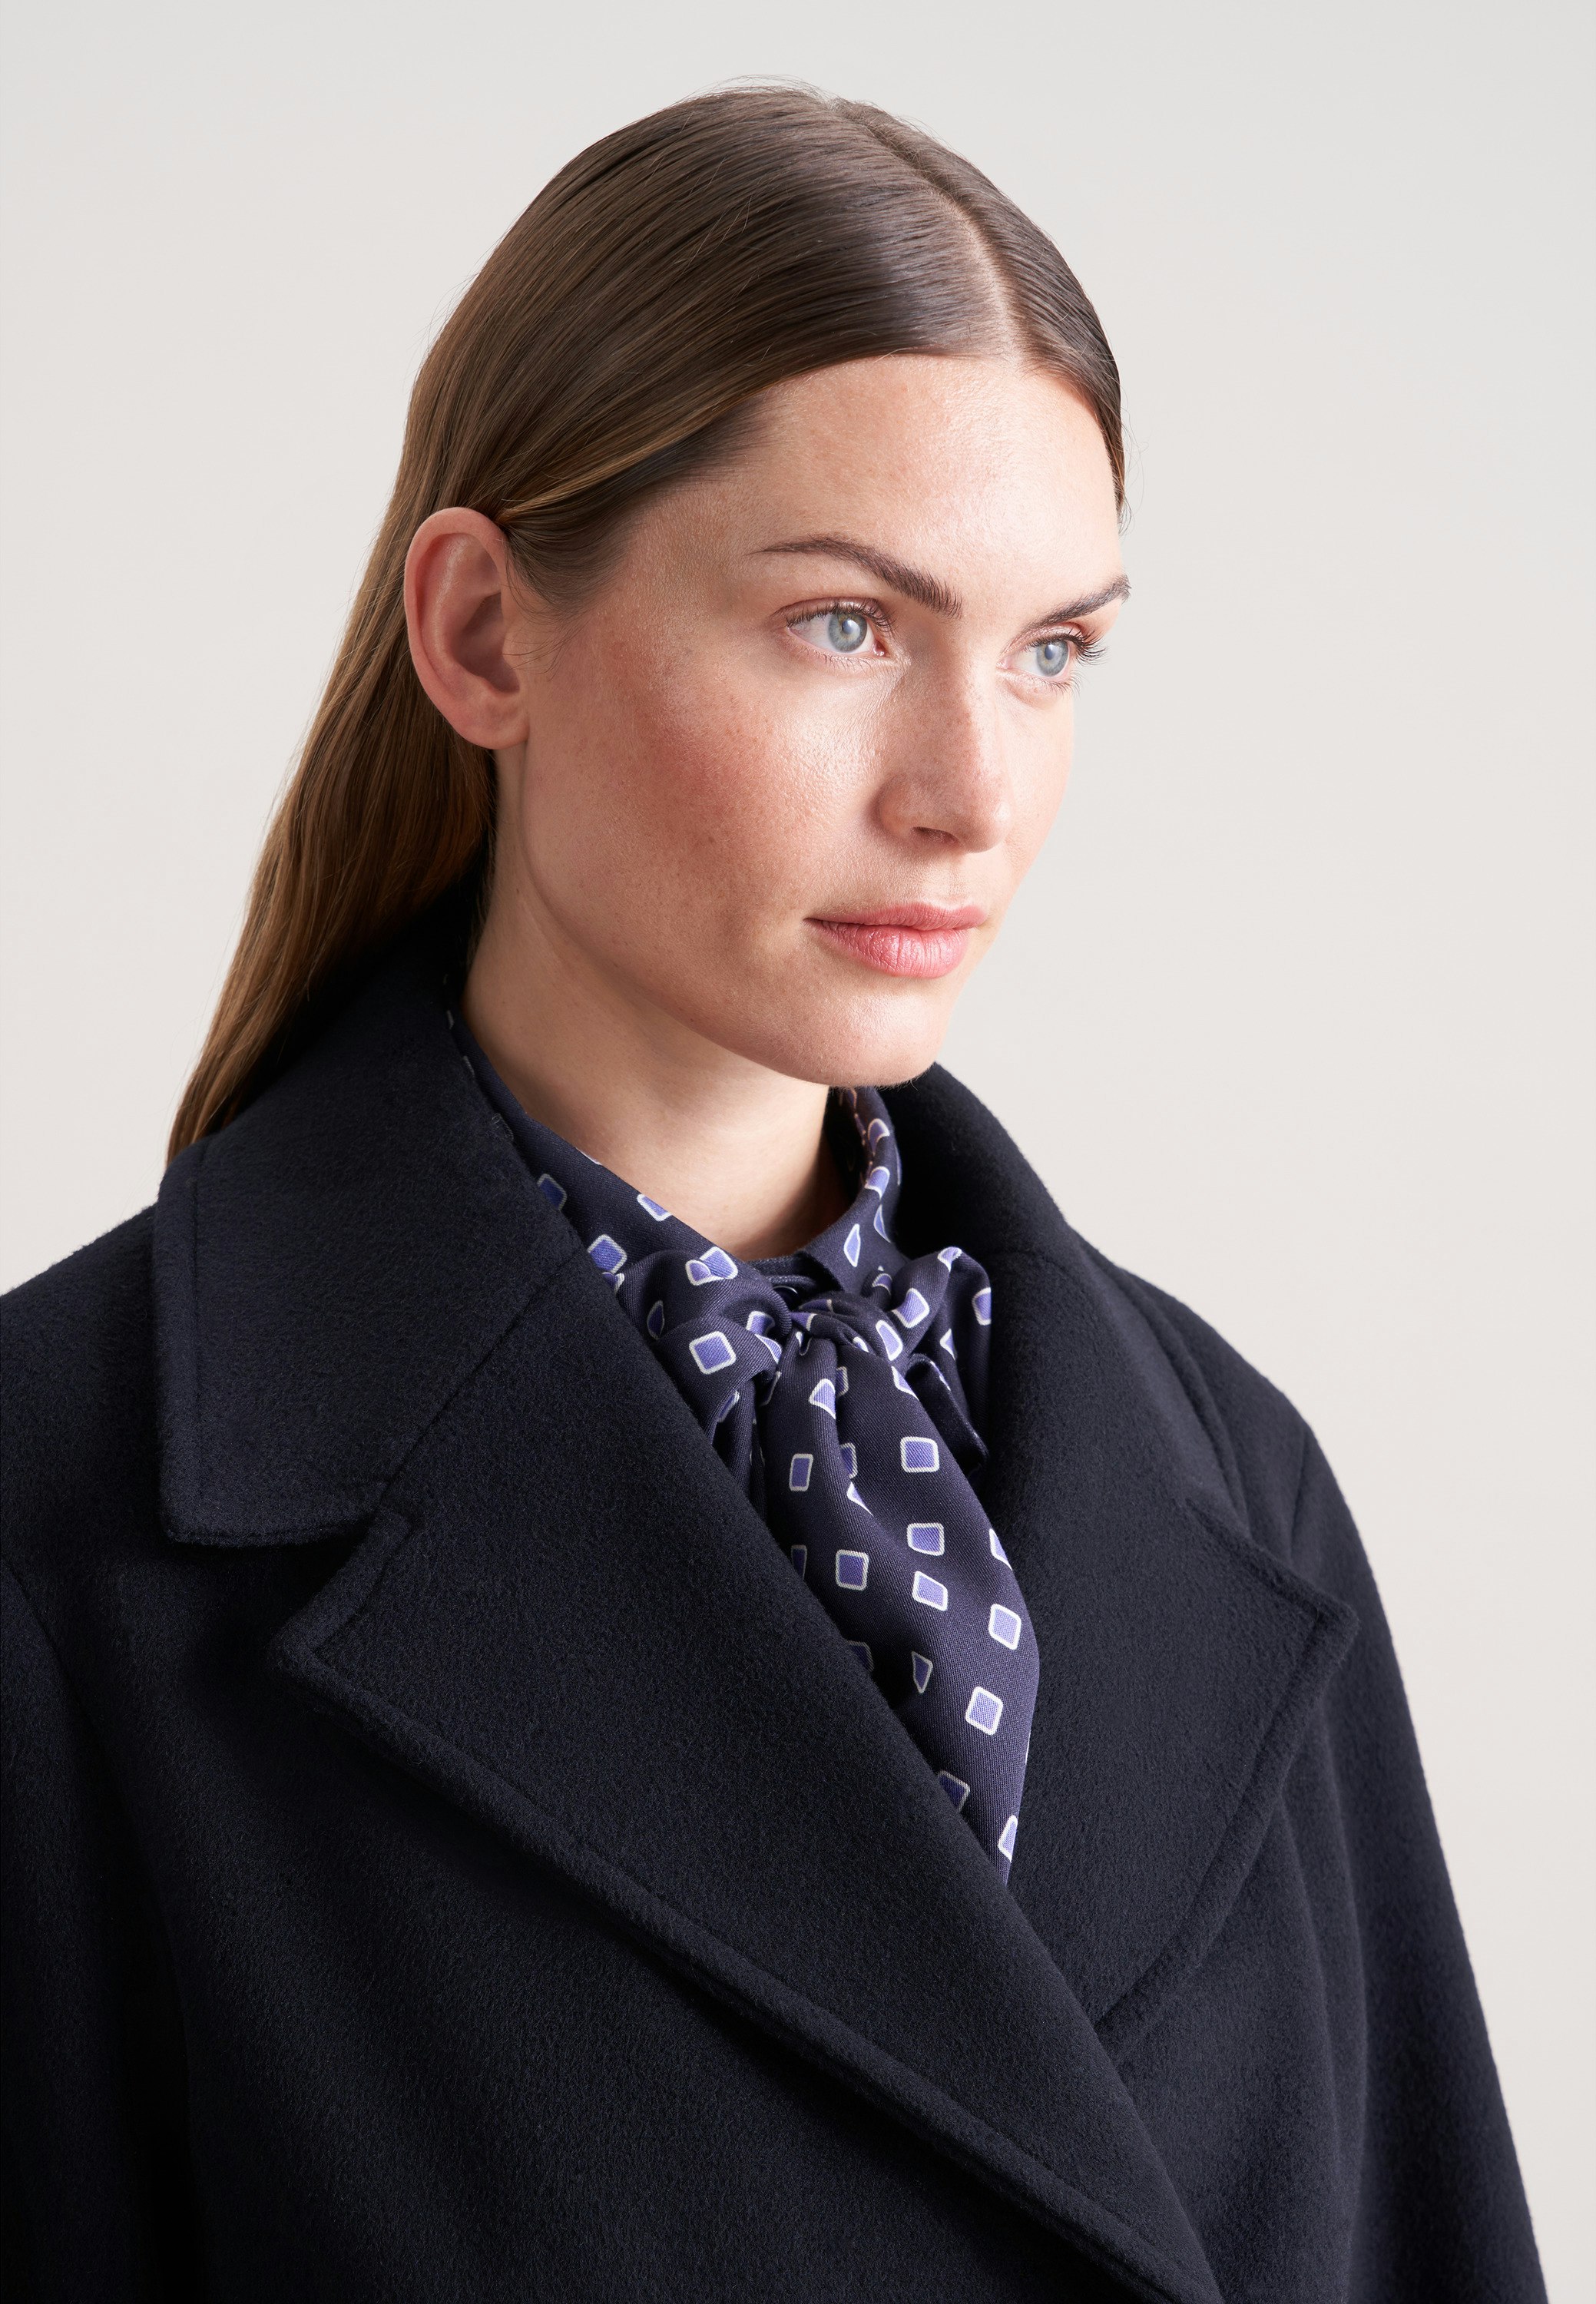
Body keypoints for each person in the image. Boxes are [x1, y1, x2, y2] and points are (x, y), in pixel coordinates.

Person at [1, 85, 1545, 2303]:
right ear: (485, 636)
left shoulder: (1232, 1480)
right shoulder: (63, 1514)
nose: (972, 794)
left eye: (1056, 651)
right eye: (845, 626)